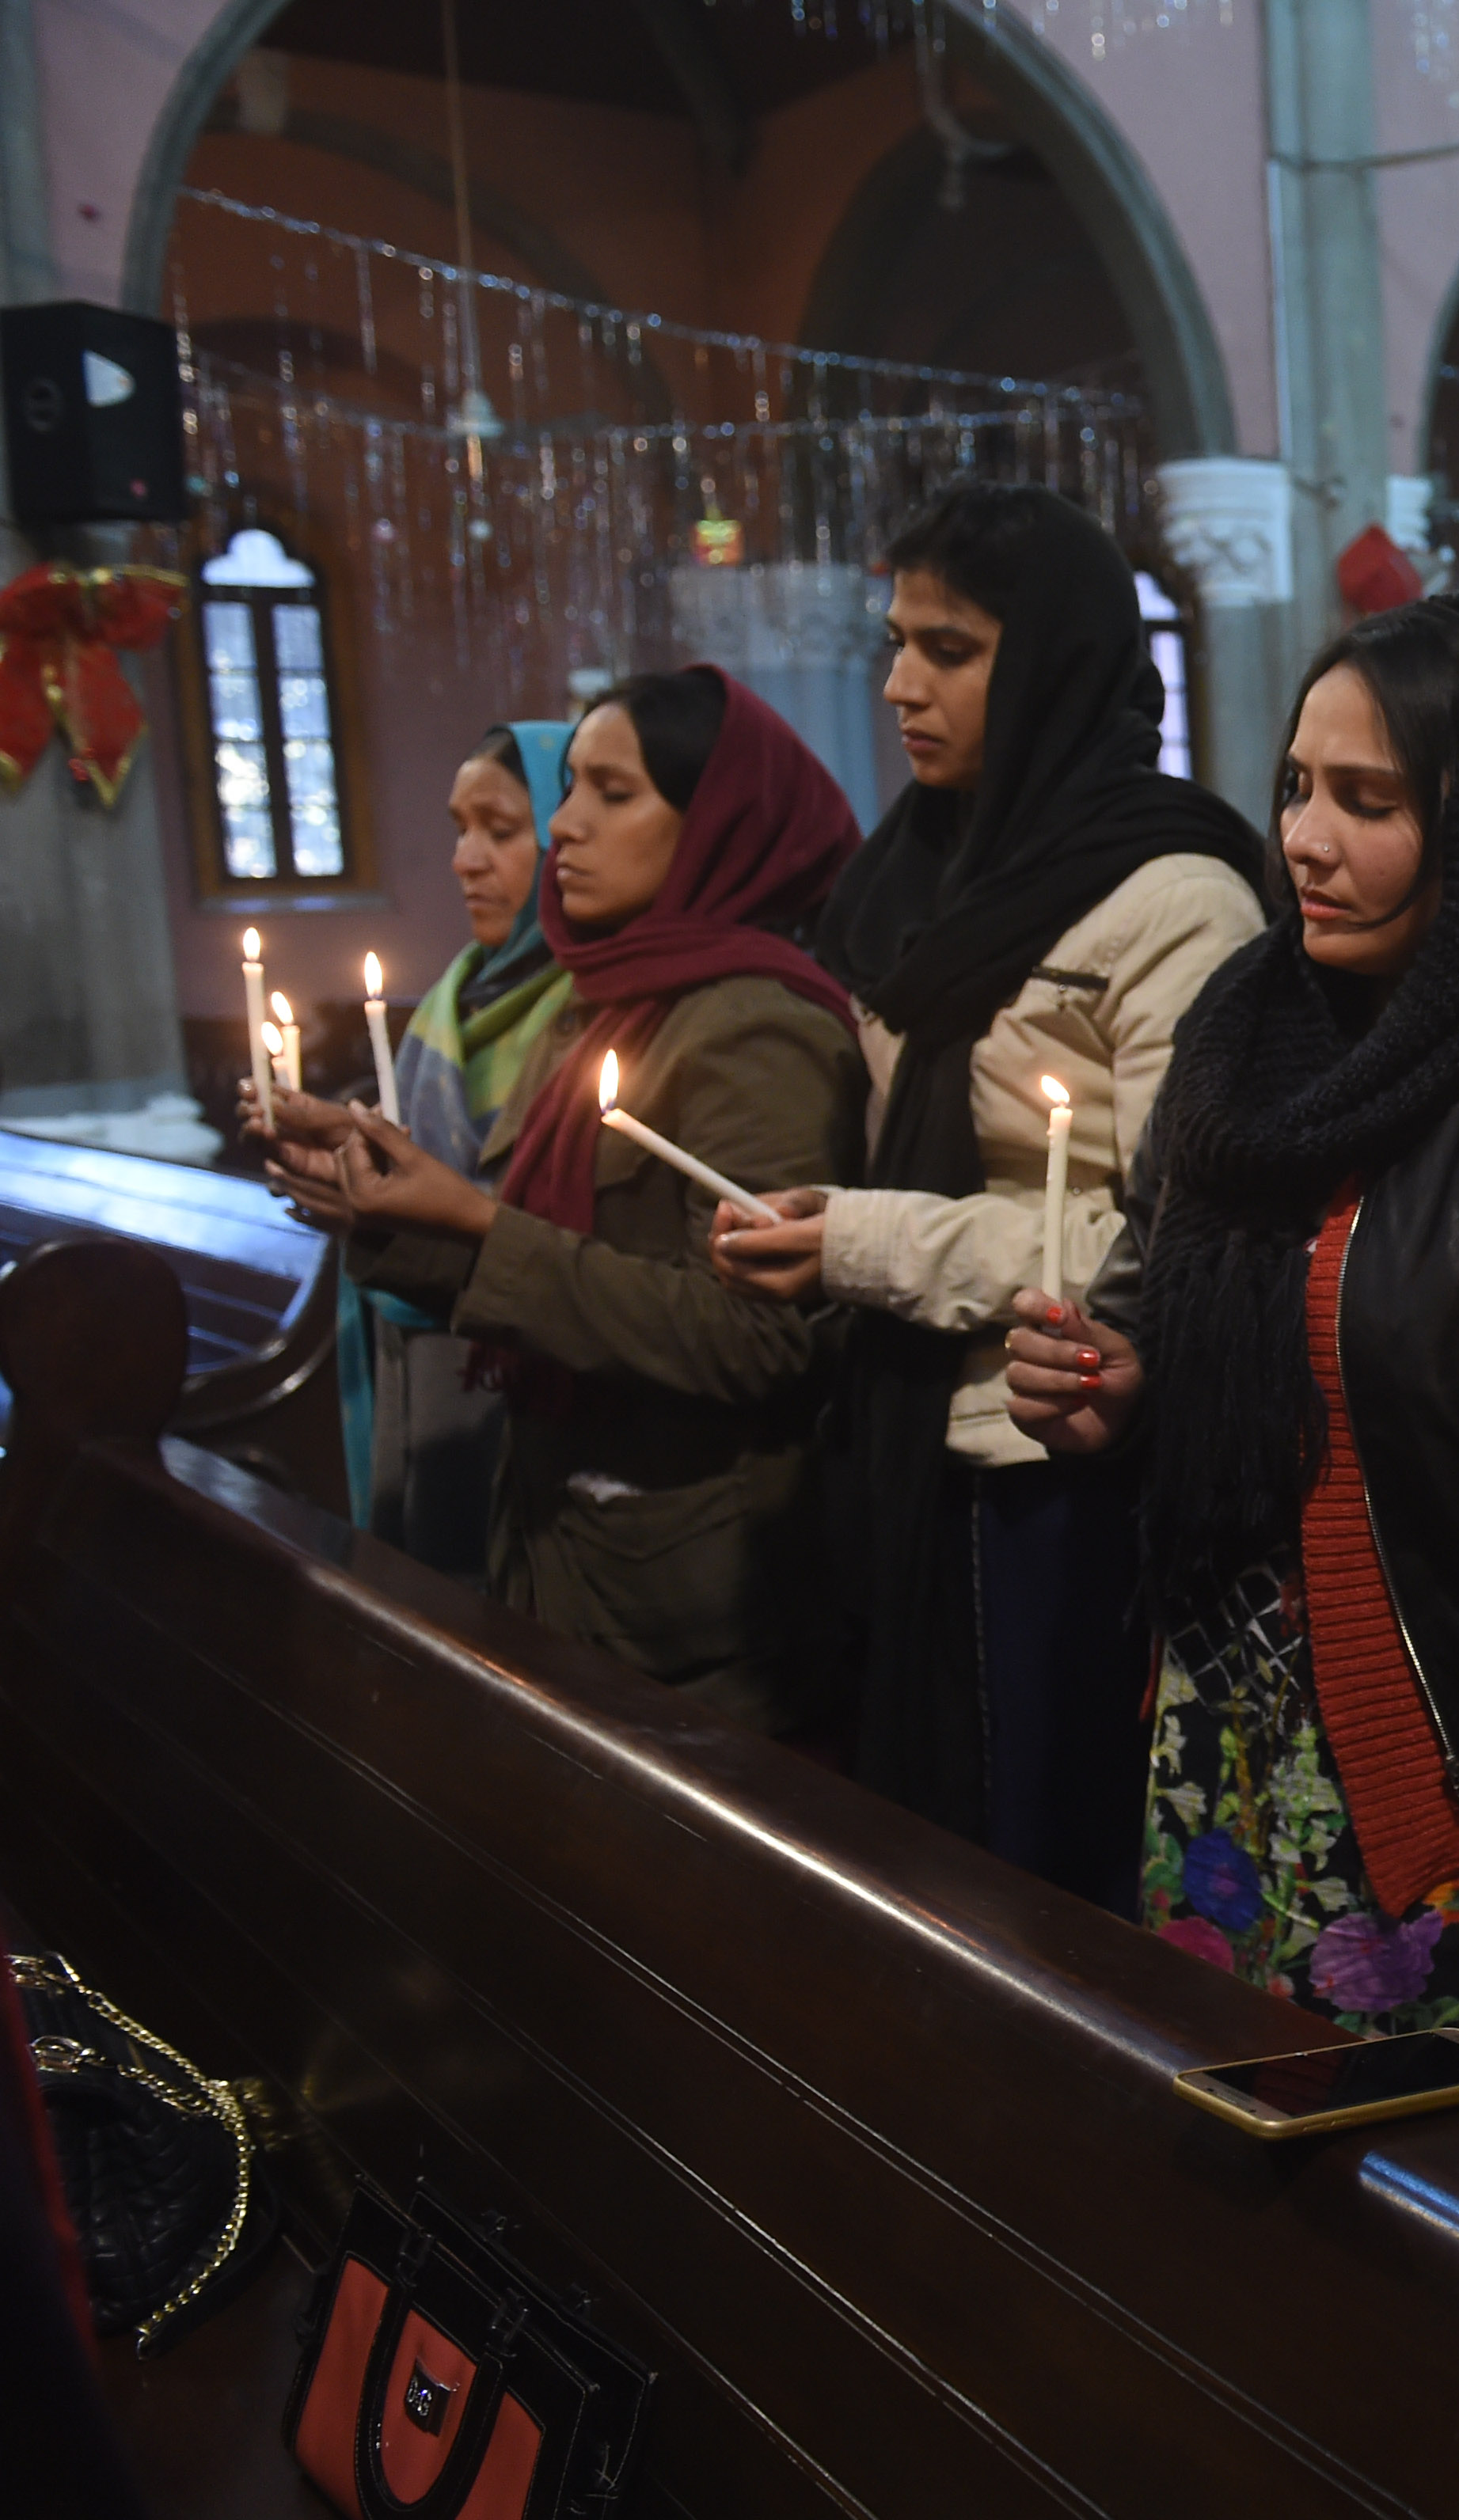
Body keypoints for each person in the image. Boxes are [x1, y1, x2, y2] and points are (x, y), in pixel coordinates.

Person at [1003, 594, 1459, 2166]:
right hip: (1231, 1772)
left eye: (1368, 801)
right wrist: (1114, 1383)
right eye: (1294, 787)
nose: (1304, 844)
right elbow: (1191, 1331)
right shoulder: (1245, 1032)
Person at [706, 484, 1264, 1902]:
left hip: (1051, 1452)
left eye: (948, 648)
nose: (899, 683)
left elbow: (1163, 1236)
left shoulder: (1173, 892)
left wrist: (860, 1239)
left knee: (1034, 1849)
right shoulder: (917, 871)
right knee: (923, 1843)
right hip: (899, 1423)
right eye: (895, 640)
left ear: (1054, 658)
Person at [261, 669, 868, 1735]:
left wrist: (479, 1222)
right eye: (571, 790)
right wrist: (386, 1214)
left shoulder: (757, 1029)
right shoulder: (595, 1005)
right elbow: (542, 1272)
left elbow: (761, 1339)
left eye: (613, 794)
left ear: (717, 822)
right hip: (562, 1548)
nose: (567, 828)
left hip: (694, 1596)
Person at [333, 720, 577, 1575]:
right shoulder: (453, 1000)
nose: (465, 859)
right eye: (458, 828)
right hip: (422, 1354)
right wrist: (338, 1150)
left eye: (501, 831)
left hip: (531, 1377)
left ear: (561, 833)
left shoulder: (594, 1007)